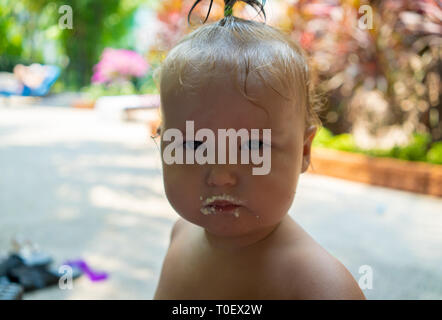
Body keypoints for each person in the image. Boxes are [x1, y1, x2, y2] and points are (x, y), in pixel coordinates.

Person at [153, 0, 365, 299]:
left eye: (253, 147)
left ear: (304, 151)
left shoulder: (321, 287)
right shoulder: (181, 235)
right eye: (192, 144)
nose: (221, 175)